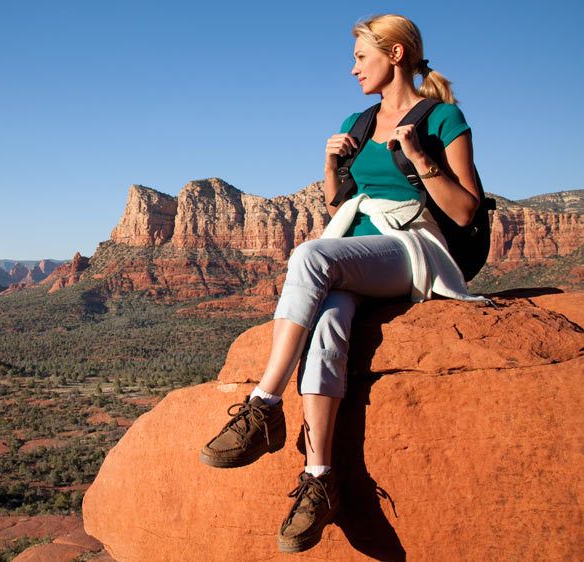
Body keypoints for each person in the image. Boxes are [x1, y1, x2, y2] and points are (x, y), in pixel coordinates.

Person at [198, 13, 488, 553]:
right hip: (355, 249)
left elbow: (466, 211)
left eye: (360, 56)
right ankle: (320, 478)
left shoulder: (442, 117)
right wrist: (331, 167)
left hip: (411, 249)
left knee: (309, 256)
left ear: (395, 55)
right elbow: (341, 206)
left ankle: (265, 405)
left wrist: (419, 157)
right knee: (328, 321)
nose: (352, 68)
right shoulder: (359, 121)